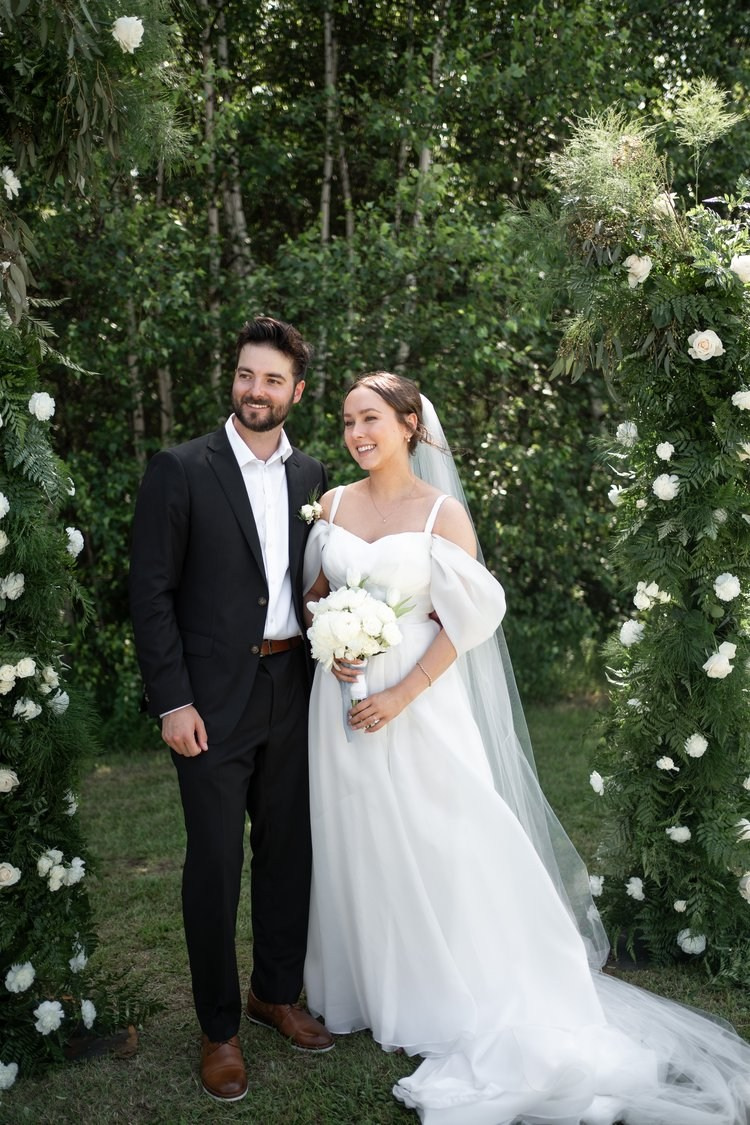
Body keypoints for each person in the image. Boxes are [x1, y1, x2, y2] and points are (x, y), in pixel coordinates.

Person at [301, 371, 750, 1125]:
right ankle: (373, 984)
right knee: (359, 835)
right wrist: (334, 641)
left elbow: (466, 623)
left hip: (421, 701)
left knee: (445, 837)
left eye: (371, 418)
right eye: (347, 421)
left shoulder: (442, 513)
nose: (356, 433)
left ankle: (461, 982)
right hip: (339, 704)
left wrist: (400, 693)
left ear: (409, 423)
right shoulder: (335, 504)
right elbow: (317, 590)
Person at [128, 315, 333, 1104]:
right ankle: (219, 1029)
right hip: (209, 702)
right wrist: (172, 699)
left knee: (290, 848)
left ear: (295, 391)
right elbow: (150, 595)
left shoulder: (313, 475)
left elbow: (311, 584)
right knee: (214, 862)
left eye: (273, 379)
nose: (257, 390)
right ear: (234, 378)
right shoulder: (180, 469)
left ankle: (273, 991)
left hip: (294, 688)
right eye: (247, 374)